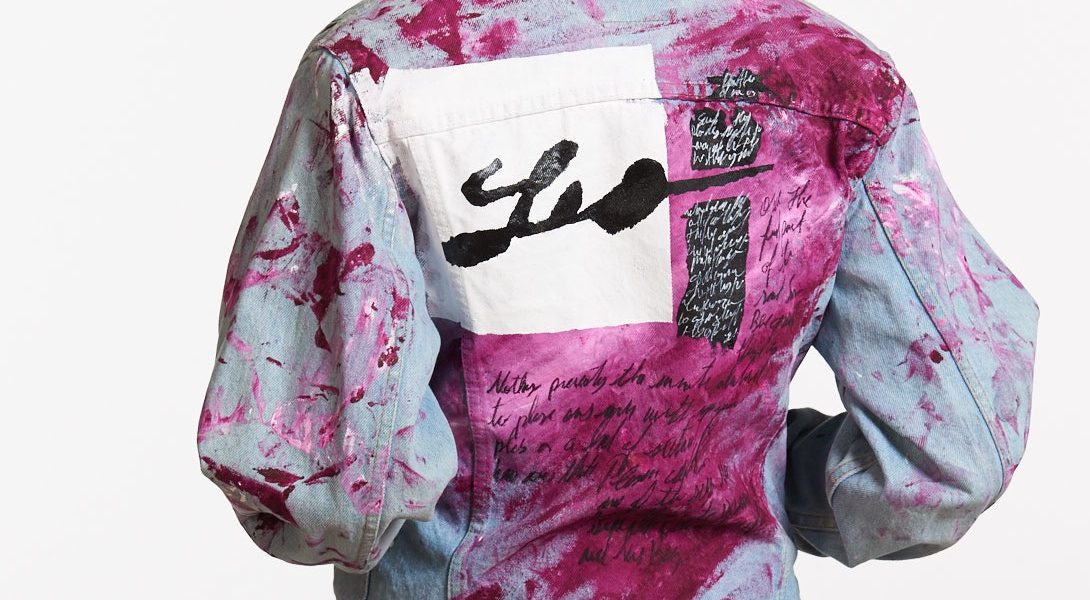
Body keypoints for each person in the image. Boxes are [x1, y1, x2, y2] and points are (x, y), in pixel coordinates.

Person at [195, 1, 1041, 598]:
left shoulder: (375, 68)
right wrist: (766, 478)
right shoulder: (834, 79)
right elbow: (950, 459)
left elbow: (327, 486)